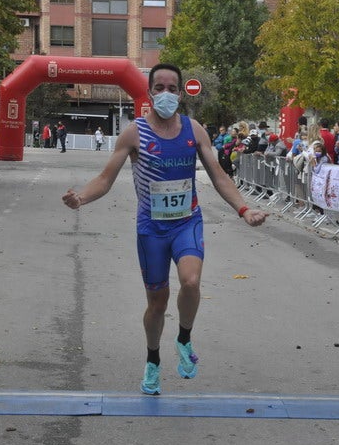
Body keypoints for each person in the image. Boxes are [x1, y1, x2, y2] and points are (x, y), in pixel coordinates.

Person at [62, 63, 268, 396]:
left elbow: (218, 175)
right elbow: (104, 179)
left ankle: (184, 338)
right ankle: (153, 360)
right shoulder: (134, 133)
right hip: (152, 230)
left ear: (181, 93)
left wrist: (244, 209)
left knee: (191, 280)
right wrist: (80, 198)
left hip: (187, 222)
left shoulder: (194, 130)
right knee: (157, 303)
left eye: (173, 88)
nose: (166, 94)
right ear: (149, 92)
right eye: (160, 87)